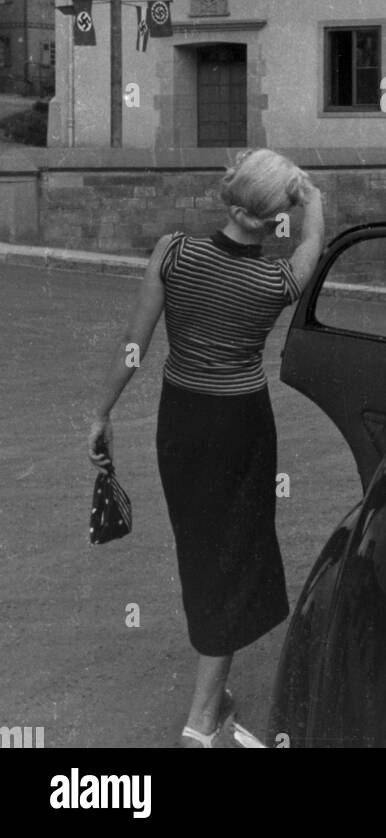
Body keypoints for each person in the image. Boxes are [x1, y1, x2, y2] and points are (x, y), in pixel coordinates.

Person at [87, 149, 325, 748]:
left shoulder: (172, 252)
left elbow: (133, 342)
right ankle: (201, 722)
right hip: (241, 424)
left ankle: (213, 701)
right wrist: (313, 200)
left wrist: (101, 411)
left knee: (202, 547)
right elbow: (310, 249)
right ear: (275, 218)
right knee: (234, 554)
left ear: (229, 196)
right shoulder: (275, 280)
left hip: (182, 422)